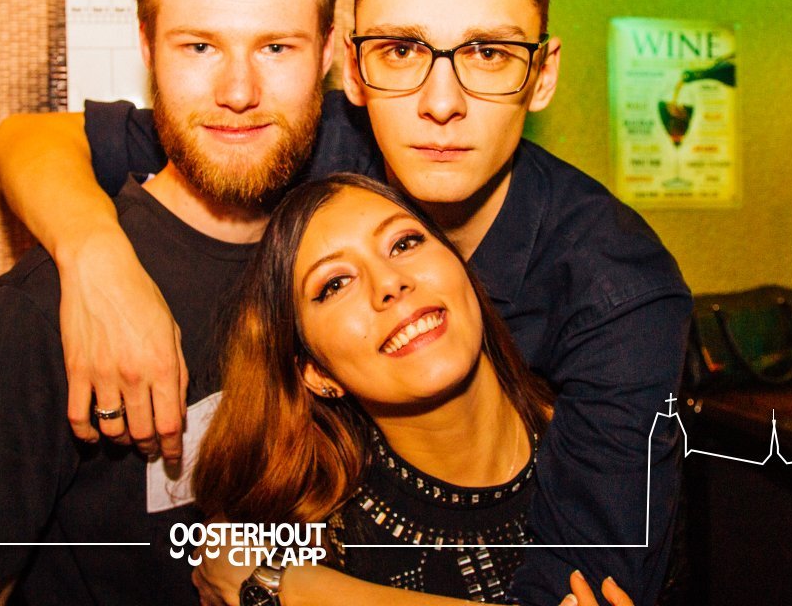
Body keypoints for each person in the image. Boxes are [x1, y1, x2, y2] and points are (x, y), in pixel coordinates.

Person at [0, 0, 690, 604]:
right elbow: (31, 139)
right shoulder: (305, 142)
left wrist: (281, 584)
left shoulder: (619, 289)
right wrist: (99, 264)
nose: (440, 103)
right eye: (401, 49)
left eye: (488, 52)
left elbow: (581, 592)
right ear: (354, 69)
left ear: (540, 76)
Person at [0, 0, 339, 605]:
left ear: (327, 54)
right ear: (147, 50)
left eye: (276, 47)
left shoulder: (350, 258)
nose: (239, 91)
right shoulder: (41, 313)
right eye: (199, 46)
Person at [189, 173, 632, 606]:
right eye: (335, 284)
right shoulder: (301, 543)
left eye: (404, 243)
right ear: (316, 373)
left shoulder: (620, 442)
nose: (389, 283)